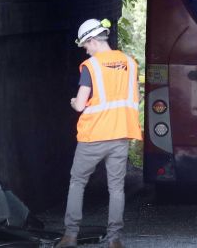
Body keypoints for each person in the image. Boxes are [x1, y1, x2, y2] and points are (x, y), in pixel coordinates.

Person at [56, 18, 142, 248]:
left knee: (77, 182)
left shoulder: (91, 67)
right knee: (116, 187)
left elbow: (82, 103)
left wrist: (74, 101)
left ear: (93, 40)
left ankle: (71, 235)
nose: (85, 49)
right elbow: (135, 97)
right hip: (122, 133)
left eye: (85, 45)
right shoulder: (130, 63)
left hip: (94, 135)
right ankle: (114, 238)